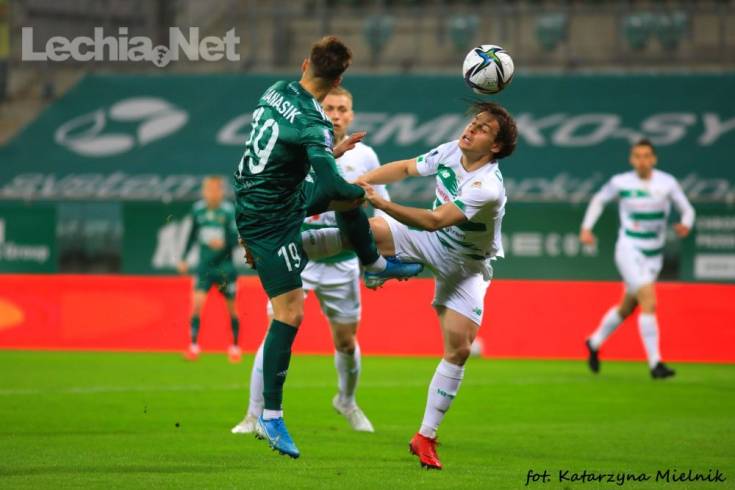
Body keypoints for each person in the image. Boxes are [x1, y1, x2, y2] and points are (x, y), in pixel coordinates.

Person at [233, 36, 422, 459]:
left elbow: (283, 153)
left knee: (347, 202)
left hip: (266, 199)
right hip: (275, 218)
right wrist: (357, 189)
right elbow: (333, 184)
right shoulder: (312, 123)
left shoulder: (276, 90)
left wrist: (331, 155)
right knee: (290, 313)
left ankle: (374, 264)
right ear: (337, 80)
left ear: (305, 64)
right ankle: (269, 416)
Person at [303, 101, 517, 470]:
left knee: (459, 349)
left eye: (482, 129)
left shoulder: (487, 188)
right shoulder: (451, 151)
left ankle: (425, 436)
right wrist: (362, 183)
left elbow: (435, 219)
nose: (470, 129)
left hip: (465, 265)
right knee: (365, 231)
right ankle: (293, 247)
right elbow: (404, 168)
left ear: (495, 147)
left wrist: (379, 202)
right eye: (473, 122)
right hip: (429, 242)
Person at [232, 86, 387, 435]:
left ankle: (346, 401)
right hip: (296, 249)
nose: (336, 114)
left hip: (342, 260)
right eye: (329, 107)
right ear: (319, 110)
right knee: (278, 326)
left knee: (345, 341)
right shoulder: (299, 144)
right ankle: (253, 414)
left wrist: (373, 259)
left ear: (351, 115)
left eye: (342, 109)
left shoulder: (365, 156)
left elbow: (380, 206)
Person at [580, 139, 695, 379]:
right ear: (632, 160)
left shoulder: (667, 183)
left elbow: (687, 209)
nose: (642, 161)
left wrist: (686, 223)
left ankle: (594, 342)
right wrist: (586, 228)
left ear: (654, 159)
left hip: (654, 255)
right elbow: (599, 200)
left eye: (646, 156)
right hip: (629, 249)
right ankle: (656, 363)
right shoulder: (621, 182)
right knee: (649, 301)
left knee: (627, 307)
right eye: (637, 156)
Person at [177, 176, 241, 363]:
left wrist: (224, 243)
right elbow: (191, 236)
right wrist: (183, 258)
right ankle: (193, 345)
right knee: (196, 305)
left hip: (224, 268)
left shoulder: (228, 211)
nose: (212, 194)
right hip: (204, 267)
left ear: (221, 192)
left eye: (216, 190)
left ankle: (235, 346)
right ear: (204, 192)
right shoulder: (198, 210)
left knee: (232, 308)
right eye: (209, 190)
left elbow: (236, 239)